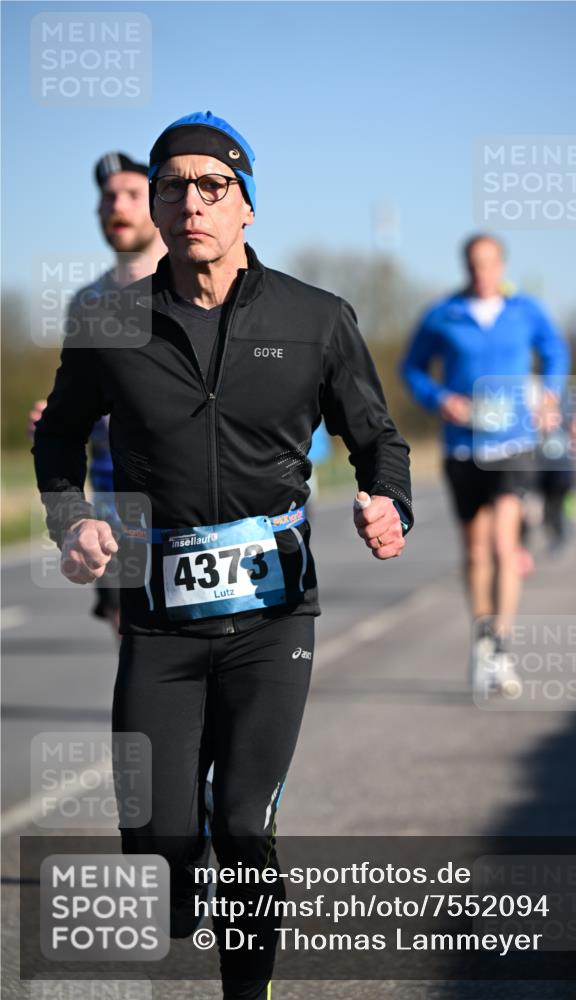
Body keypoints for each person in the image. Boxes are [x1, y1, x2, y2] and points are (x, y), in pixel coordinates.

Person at [33, 110, 412, 999]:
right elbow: (57, 439)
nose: (191, 202)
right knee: (158, 851)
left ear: (247, 205)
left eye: (213, 186)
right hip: (158, 619)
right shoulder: (109, 322)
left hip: (273, 619)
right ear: (156, 208)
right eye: (172, 187)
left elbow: (378, 438)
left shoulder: (315, 318)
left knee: (243, 825)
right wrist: (71, 520)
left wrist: (388, 502)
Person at [400, 233, 569, 695]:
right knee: (476, 551)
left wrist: (550, 392)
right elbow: (411, 368)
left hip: (514, 442)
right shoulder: (444, 314)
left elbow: (555, 350)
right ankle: (482, 640)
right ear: (465, 266)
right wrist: (440, 399)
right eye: (474, 264)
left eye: (489, 263)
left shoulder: (525, 310)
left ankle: (502, 646)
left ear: (502, 265)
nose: (482, 272)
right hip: (464, 445)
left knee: (503, 545)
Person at [29, 152, 166, 637]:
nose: (117, 206)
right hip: (115, 508)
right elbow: (80, 400)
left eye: (131, 194)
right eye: (108, 198)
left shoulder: (192, 291)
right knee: (132, 642)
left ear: (159, 204)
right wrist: (56, 420)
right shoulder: (88, 303)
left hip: (188, 501)